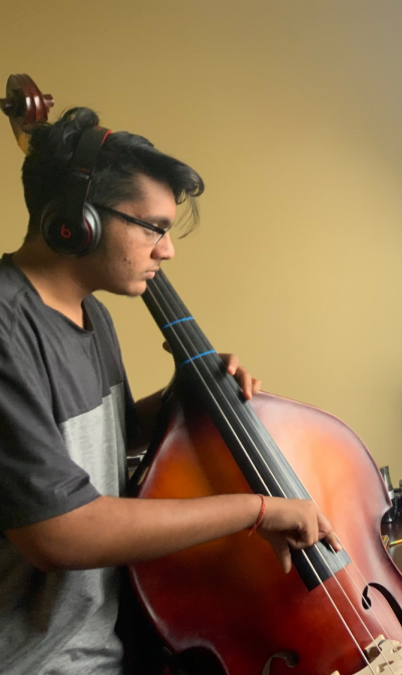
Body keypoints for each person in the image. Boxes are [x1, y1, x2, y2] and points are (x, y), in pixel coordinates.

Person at [0, 108, 338, 674]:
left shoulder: (92, 316)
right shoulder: (9, 328)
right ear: (75, 222)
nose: (168, 249)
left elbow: (106, 448)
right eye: (153, 227)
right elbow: (58, 533)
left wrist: (187, 394)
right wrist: (257, 509)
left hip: (108, 640)